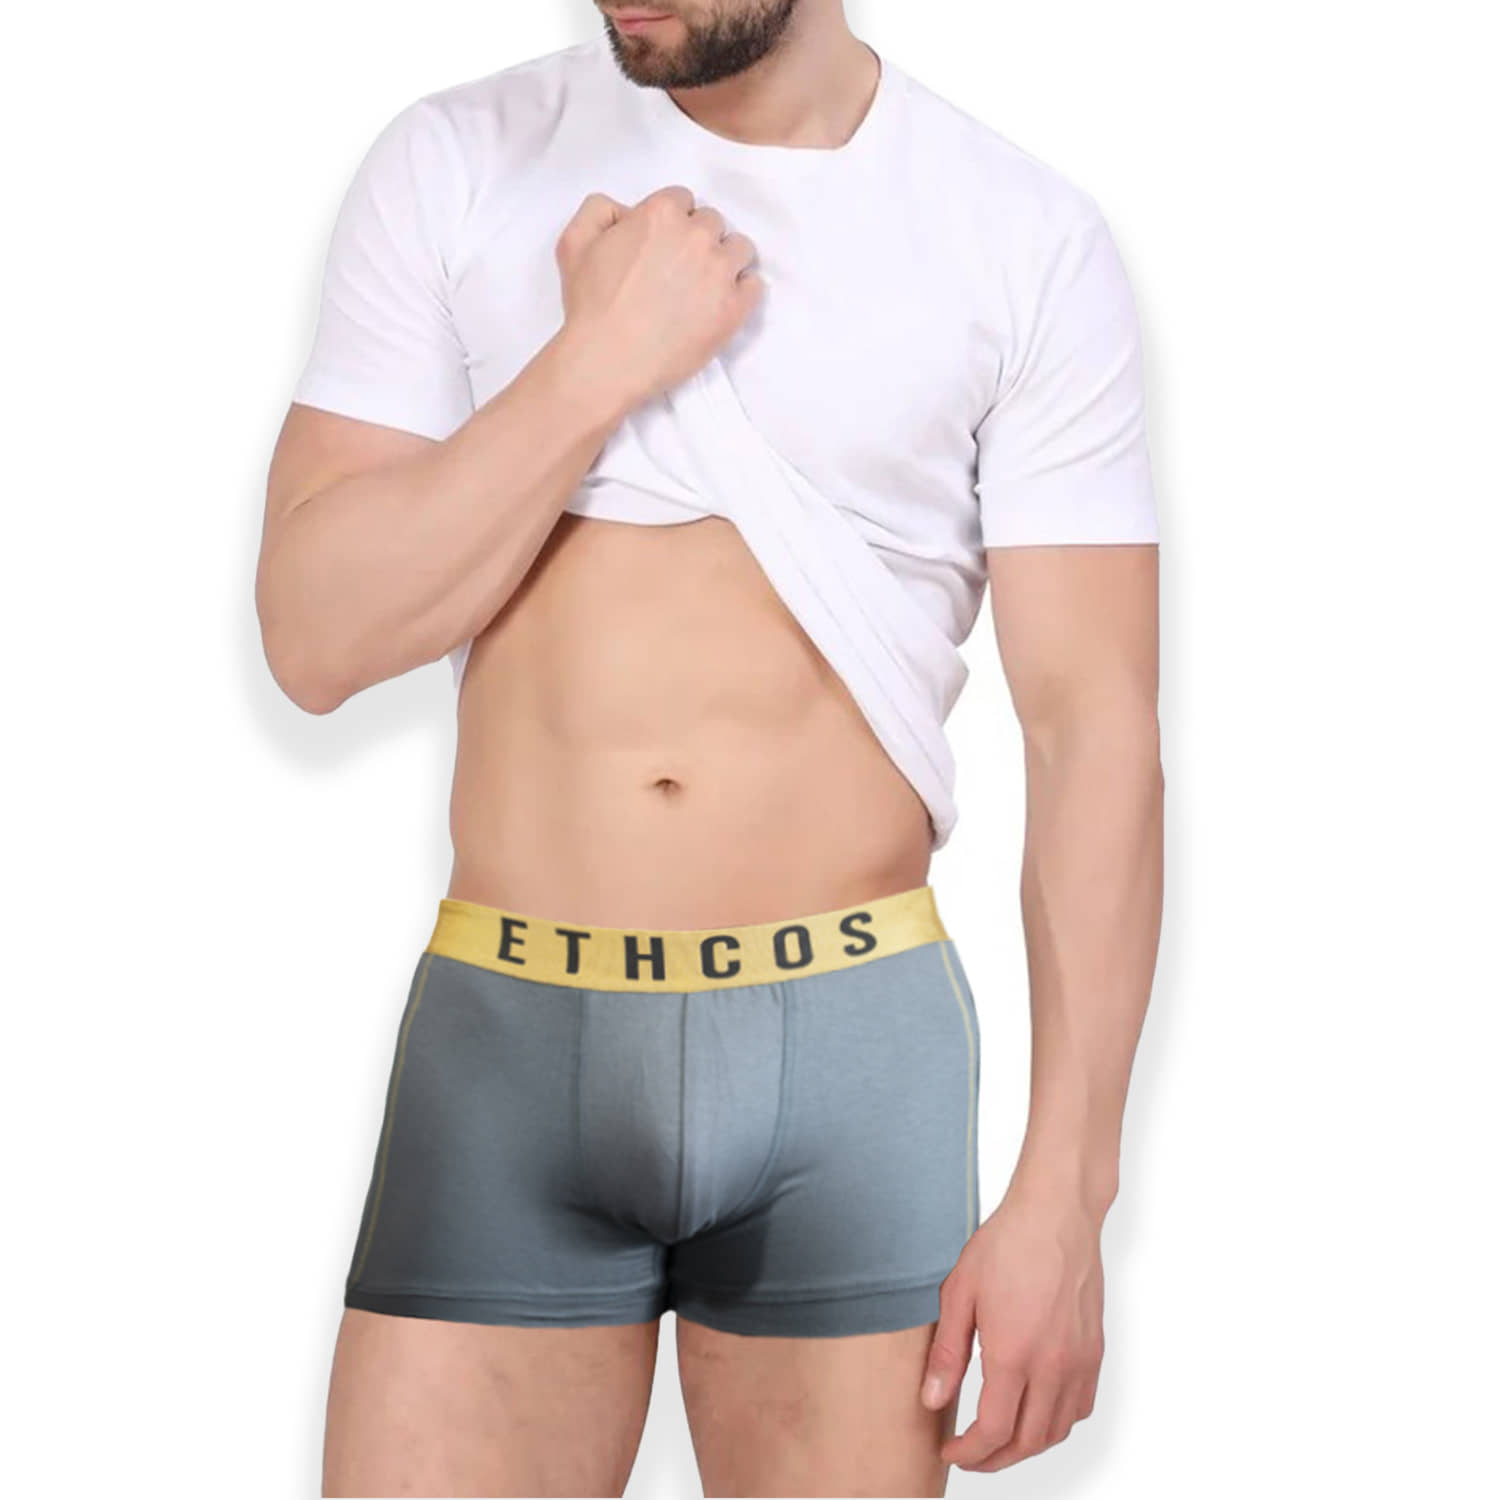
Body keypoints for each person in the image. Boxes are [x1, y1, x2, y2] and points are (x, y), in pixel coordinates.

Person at [256, 1, 1164, 1494]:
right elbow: (314, 638)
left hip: (852, 1050)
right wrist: (595, 361)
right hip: (509, 1038)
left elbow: (1094, 734)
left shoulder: (1019, 234)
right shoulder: (459, 160)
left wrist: (1068, 1196)